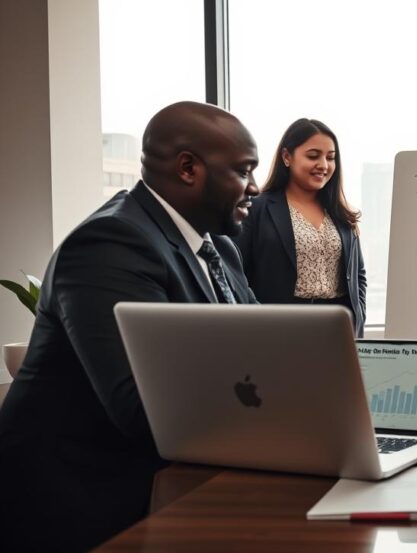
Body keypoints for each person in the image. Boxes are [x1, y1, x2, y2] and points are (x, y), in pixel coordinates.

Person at [0, 101, 260, 551]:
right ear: (187, 168)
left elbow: (267, 350)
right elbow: (140, 407)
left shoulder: (218, 249)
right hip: (79, 504)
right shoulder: (110, 243)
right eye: (244, 170)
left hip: (164, 484)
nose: (255, 187)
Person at [233, 118, 367, 335]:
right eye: (313, 156)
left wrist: (358, 318)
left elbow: (358, 274)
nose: (323, 165)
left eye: (330, 158)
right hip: (278, 327)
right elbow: (235, 272)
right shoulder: (257, 208)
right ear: (287, 157)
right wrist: (254, 324)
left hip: (337, 327)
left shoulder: (341, 214)